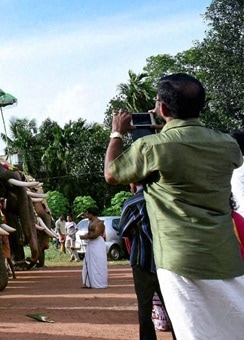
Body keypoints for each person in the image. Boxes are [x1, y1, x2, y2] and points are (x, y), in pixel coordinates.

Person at [104, 73, 244, 339]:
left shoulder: (151, 147)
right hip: (226, 255)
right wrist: (167, 126)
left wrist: (117, 133)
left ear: (163, 108)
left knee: (194, 329)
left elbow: (112, 173)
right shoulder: (228, 145)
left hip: (180, 259)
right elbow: (192, 146)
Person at [119, 184, 173, 339]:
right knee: (175, 307)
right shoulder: (166, 197)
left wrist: (136, 229)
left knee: (144, 307)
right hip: (168, 261)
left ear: (135, 182)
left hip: (142, 261)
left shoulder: (132, 203)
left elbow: (123, 229)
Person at [81, 207, 108, 288]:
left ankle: (99, 283)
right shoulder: (90, 222)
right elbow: (91, 233)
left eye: (87, 213)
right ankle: (89, 282)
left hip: (97, 244)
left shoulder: (99, 223)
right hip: (91, 244)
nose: (86, 215)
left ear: (91, 214)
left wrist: (86, 237)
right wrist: (86, 236)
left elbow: (96, 234)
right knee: (89, 262)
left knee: (98, 262)